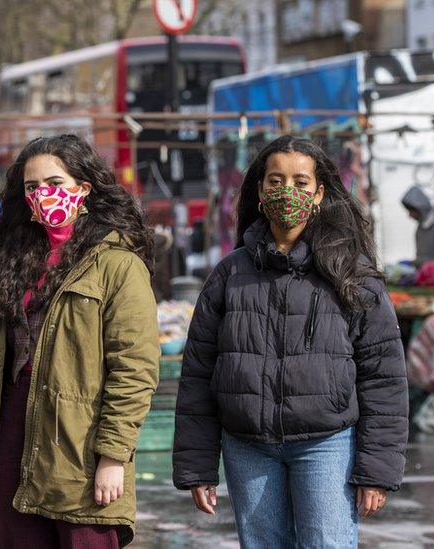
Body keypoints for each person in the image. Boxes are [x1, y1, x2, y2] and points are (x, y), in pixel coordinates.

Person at [173, 136, 408, 548]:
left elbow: (383, 376)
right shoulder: (229, 275)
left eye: (301, 183)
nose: (288, 192)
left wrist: (377, 471)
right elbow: (198, 375)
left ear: (319, 194)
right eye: (276, 181)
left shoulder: (351, 274)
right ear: (261, 191)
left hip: (327, 445)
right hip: (247, 448)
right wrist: (198, 466)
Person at [0, 134, 160, 548]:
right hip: (13, 424)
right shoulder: (18, 260)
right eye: (31, 186)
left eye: (55, 183)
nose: (43, 194)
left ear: (84, 188)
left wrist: (113, 456)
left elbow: (135, 368)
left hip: (79, 439)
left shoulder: (118, 264)